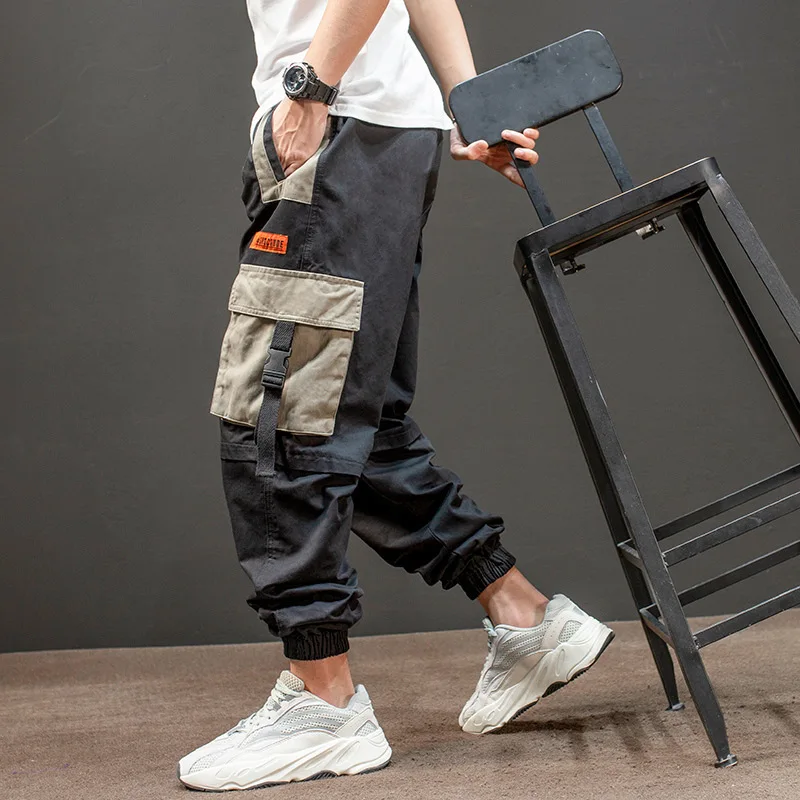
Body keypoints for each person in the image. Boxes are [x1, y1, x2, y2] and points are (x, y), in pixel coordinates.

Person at [179, 0, 614, 790]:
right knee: (357, 421)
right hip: (375, 131)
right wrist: (469, 100)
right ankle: (522, 615)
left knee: (283, 422)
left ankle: (324, 702)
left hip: (337, 120)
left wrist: (311, 89)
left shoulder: (322, 99)